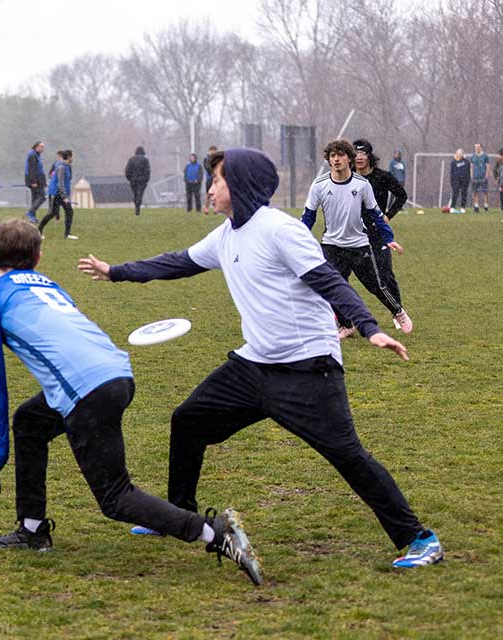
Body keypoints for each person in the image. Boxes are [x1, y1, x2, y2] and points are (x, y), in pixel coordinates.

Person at [76, 147, 443, 570]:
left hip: (308, 369)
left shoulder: (279, 231)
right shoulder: (227, 234)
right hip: (253, 367)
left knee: (348, 455)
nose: (210, 188)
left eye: (217, 180)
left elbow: (329, 282)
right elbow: (178, 263)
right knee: (188, 420)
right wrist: (115, 271)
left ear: (242, 186)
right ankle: (176, 515)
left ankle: (419, 539)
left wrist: (369, 327)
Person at [0, 218, 263, 586]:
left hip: (87, 391)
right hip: (117, 373)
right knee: (30, 422)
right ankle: (32, 529)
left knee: (116, 498)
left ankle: (213, 532)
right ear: (39, 258)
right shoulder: (51, 286)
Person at [301, 139, 408, 338]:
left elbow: (376, 214)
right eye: (332, 156)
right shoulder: (319, 185)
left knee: (375, 285)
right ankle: (346, 325)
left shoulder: (362, 185)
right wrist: (298, 239)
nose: (336, 159)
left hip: (359, 244)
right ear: (328, 160)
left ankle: (398, 311)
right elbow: (308, 216)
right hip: (331, 244)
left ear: (348, 159)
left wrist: (389, 237)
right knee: (332, 287)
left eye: (340, 155)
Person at [353, 139, 413, 334]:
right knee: (343, 275)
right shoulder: (349, 179)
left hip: (378, 233)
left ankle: (398, 312)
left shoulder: (383, 177)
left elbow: (401, 195)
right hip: (354, 234)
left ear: (370, 156)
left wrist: (388, 215)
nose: (359, 157)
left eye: (363, 153)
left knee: (385, 273)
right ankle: (346, 321)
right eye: (356, 153)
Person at [38, 149, 77, 240]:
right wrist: (64, 196)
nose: (73, 158)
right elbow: (60, 183)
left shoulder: (66, 166)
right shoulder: (61, 167)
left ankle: (67, 235)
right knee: (52, 213)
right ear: (69, 157)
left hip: (61, 193)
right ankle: (39, 231)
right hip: (56, 193)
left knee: (69, 211)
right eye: (72, 156)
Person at [24, 141, 47, 224]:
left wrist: (44, 181)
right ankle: (30, 212)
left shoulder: (36, 155)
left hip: (38, 179)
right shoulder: (32, 155)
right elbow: (32, 169)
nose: (43, 149)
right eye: (41, 147)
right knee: (42, 197)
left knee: (35, 198)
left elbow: (39, 169)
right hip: (35, 179)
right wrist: (33, 181)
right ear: (36, 146)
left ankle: (32, 217)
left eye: (43, 147)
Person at [124, 146, 151, 216]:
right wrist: (146, 180)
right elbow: (148, 171)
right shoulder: (145, 160)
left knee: (136, 194)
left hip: (133, 181)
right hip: (142, 181)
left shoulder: (131, 159)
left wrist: (129, 178)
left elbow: (127, 170)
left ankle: (136, 206)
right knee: (140, 194)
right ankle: (138, 208)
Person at [470, 143, 490, 213]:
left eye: (478, 147)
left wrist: (486, 176)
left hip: (483, 177)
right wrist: (472, 176)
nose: (477, 148)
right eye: (475, 147)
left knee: (485, 193)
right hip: (475, 177)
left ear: (481, 147)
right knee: (475, 193)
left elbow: (488, 166)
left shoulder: (485, 156)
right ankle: (476, 207)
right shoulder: (473, 156)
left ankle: (486, 207)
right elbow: (471, 167)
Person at [449, 148, 470, 213]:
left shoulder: (466, 161)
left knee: (464, 193)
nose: (459, 155)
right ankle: (452, 207)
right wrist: (452, 181)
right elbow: (452, 172)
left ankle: (463, 207)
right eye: (458, 153)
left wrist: (468, 179)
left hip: (465, 180)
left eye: (461, 153)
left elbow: (468, 171)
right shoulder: (453, 162)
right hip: (456, 180)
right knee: (455, 193)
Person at [201, 145, 218, 214]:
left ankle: (215, 209)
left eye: (214, 150)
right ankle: (206, 208)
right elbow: (207, 167)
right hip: (209, 179)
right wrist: (212, 172)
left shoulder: (217, 159)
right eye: (211, 150)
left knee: (216, 194)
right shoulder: (206, 159)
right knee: (208, 194)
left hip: (216, 179)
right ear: (209, 151)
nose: (213, 152)